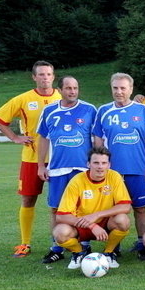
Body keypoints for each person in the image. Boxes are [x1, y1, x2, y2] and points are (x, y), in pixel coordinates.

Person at [0, 60, 61, 257]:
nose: (45, 78)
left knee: (59, 203)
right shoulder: (23, 99)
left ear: (53, 77)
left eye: (48, 74)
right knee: (28, 199)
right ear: (34, 77)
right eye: (41, 74)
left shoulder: (62, 96)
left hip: (58, 159)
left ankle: (58, 243)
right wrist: (14, 137)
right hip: (31, 159)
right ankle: (25, 243)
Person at [93, 73, 145, 260]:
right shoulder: (103, 111)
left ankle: (142, 244)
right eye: (115, 88)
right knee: (114, 209)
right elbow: (97, 141)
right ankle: (114, 246)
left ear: (131, 89)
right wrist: (100, 166)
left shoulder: (142, 110)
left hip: (138, 169)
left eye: (123, 88)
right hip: (112, 173)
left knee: (141, 208)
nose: (119, 92)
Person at [36, 76, 97, 264]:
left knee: (81, 208)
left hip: (82, 169)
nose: (72, 91)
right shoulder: (49, 111)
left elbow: (96, 138)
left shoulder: (89, 110)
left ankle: (84, 243)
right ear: (60, 90)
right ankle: (57, 247)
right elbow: (44, 139)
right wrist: (41, 165)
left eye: (75, 88)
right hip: (57, 169)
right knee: (55, 209)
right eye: (68, 88)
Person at [52, 146, 131, 269]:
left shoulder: (114, 176)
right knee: (60, 232)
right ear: (88, 164)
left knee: (123, 220)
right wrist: (92, 225)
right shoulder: (77, 181)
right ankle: (79, 253)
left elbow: (126, 206)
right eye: (96, 163)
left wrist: (97, 215)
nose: (100, 167)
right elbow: (61, 215)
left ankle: (109, 253)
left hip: (106, 224)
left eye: (104, 163)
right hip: (82, 223)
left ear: (109, 164)